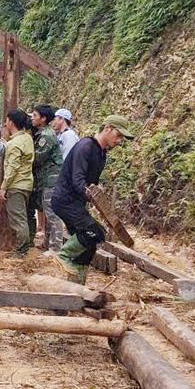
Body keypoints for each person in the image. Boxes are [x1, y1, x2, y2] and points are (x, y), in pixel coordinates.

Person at [52, 115, 134, 283]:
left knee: (88, 246)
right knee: (95, 232)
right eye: (118, 135)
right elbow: (78, 181)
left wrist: (96, 191)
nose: (119, 141)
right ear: (107, 128)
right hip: (65, 200)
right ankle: (63, 256)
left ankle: (77, 287)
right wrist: (92, 194)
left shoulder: (101, 153)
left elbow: (90, 183)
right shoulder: (86, 146)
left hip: (76, 202)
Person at [29, 104, 64, 252]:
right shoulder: (41, 133)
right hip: (45, 180)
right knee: (48, 212)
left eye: (35, 115)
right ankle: (48, 243)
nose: (32, 117)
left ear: (43, 119)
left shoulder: (47, 136)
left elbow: (37, 158)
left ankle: (55, 248)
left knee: (52, 214)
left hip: (51, 180)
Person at [0, 109, 34, 256]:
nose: (5, 123)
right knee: (23, 217)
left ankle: (21, 251)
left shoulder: (14, 144)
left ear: (11, 122)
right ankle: (24, 247)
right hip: (26, 184)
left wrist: (3, 187)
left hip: (16, 185)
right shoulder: (27, 138)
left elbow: (12, 168)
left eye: (7, 120)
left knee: (18, 220)